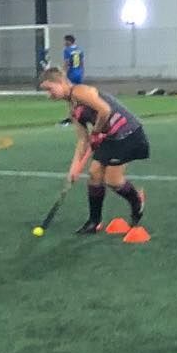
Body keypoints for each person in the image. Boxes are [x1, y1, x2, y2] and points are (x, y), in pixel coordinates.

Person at [38, 66, 148, 234]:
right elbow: (83, 140)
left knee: (113, 180)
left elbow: (105, 110)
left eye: (49, 89)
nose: (49, 95)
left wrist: (96, 131)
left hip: (127, 133)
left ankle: (137, 202)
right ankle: (94, 221)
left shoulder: (80, 92)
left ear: (60, 82)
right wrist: (73, 169)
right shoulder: (72, 107)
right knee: (94, 174)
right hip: (109, 136)